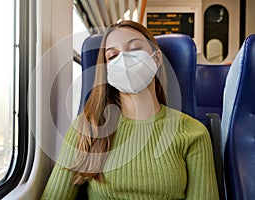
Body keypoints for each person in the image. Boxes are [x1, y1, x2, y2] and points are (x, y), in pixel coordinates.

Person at [41, 20, 219, 199]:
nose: (124, 60)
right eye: (112, 56)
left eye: (134, 50)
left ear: (156, 59)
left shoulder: (193, 132)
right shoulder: (88, 127)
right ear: (108, 71)